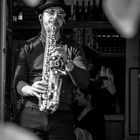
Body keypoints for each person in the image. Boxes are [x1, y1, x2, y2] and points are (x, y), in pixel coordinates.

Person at [13, 0, 89, 140]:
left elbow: (84, 83)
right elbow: (18, 82)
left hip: (62, 116)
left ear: (63, 21)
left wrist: (68, 61)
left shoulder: (74, 47)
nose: (56, 17)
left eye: (60, 14)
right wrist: (29, 89)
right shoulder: (28, 46)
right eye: (51, 12)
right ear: (41, 17)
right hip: (31, 114)